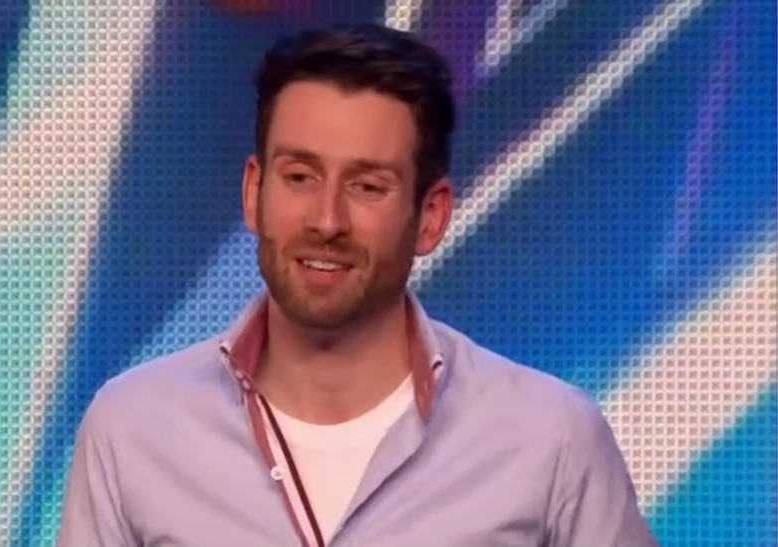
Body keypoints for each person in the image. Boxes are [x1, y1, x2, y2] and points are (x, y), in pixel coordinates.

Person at [56, 23, 659, 547]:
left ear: (430, 217)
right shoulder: (133, 428)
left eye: (367, 187)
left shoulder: (551, 439)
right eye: (299, 177)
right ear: (254, 193)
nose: (326, 221)